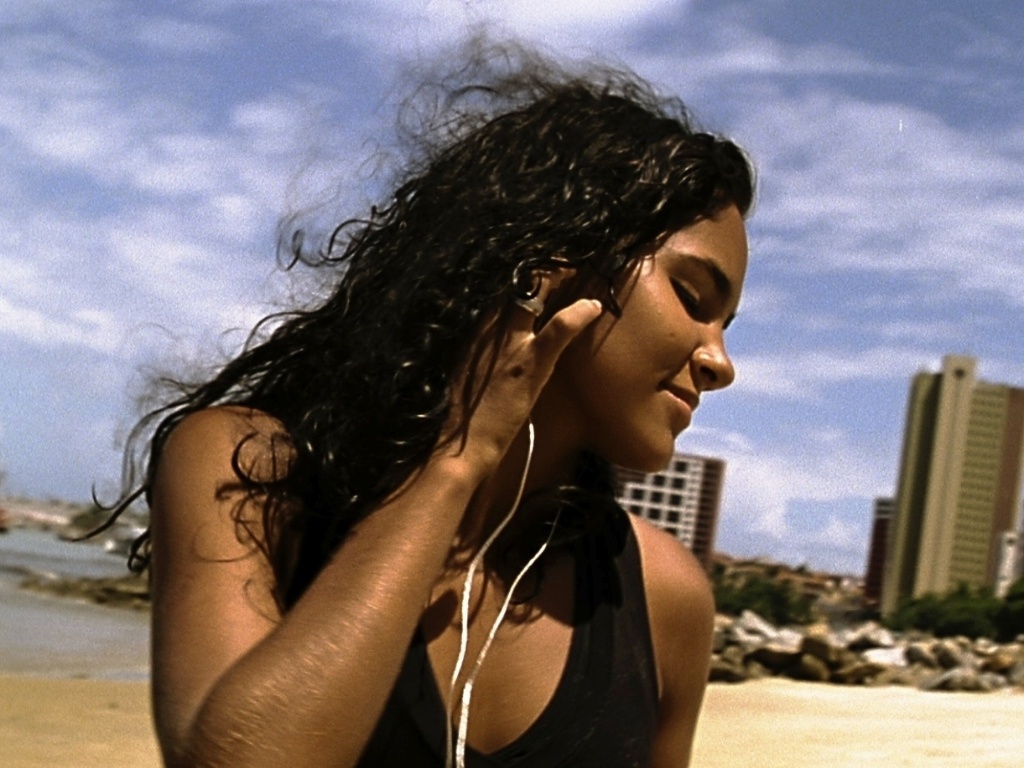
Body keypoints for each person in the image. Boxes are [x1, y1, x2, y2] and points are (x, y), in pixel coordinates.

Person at [114, 45, 753, 768]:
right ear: (557, 267)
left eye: (726, 327)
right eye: (695, 300)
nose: (719, 362)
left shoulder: (663, 596)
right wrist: (455, 462)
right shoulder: (255, 471)